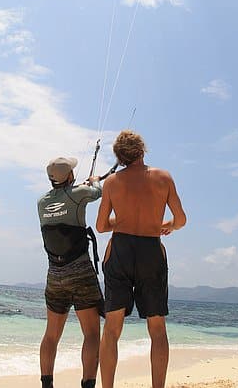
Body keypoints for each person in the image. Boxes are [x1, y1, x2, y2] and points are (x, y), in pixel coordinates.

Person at [96, 131, 187, 388]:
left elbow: (102, 225)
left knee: (112, 328)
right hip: (150, 250)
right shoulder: (163, 177)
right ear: (142, 150)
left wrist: (122, 220)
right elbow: (181, 220)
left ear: (120, 157)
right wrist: (164, 225)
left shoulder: (112, 182)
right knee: (157, 328)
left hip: (120, 250)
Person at [38, 156, 104, 388]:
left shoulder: (41, 203)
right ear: (68, 176)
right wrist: (94, 181)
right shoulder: (78, 194)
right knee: (92, 334)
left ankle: (47, 384)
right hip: (81, 274)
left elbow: (61, 206)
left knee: (51, 335)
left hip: (54, 275)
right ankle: (87, 384)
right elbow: (97, 192)